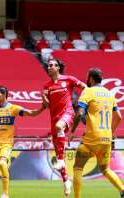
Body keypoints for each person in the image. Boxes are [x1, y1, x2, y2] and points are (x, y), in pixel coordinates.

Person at [69, 68, 124, 198]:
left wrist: (72, 132)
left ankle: (77, 197)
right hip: (106, 139)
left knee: (78, 167)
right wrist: (111, 131)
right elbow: (119, 117)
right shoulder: (109, 93)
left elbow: (80, 113)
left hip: (91, 138)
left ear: (91, 79)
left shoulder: (88, 91)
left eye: (87, 77)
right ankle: (122, 190)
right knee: (105, 169)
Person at [0, 86, 46, 198]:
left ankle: (5, 193)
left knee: (2, 164)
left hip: (6, 144)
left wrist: (42, 108)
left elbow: (30, 113)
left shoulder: (12, 108)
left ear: (4, 95)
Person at [42, 58, 86, 196]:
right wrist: (43, 98)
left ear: (58, 68)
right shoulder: (46, 86)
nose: (49, 68)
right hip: (54, 117)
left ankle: (60, 160)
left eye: (51, 65)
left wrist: (81, 102)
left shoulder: (69, 79)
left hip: (68, 113)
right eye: (48, 66)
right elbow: (47, 105)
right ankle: (66, 181)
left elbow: (85, 87)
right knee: (58, 149)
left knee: (59, 127)